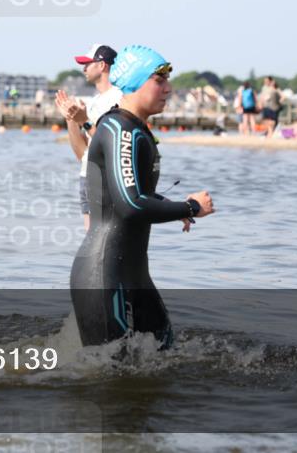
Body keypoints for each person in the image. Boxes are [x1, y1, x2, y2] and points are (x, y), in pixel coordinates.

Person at [70, 45, 215, 351]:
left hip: (133, 273)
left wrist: (174, 209)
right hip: (104, 273)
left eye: (167, 80)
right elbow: (131, 204)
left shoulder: (133, 129)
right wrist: (190, 207)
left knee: (166, 359)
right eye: (159, 80)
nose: (168, 89)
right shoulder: (119, 129)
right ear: (136, 82)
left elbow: (132, 194)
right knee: (110, 373)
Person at [55, 44, 123, 231]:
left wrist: (83, 121)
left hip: (106, 179)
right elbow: (82, 154)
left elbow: (112, 142)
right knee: (91, 242)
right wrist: (70, 119)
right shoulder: (94, 102)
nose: (84, 69)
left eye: (87, 64)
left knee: (106, 241)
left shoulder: (118, 98)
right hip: (88, 176)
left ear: (102, 65)